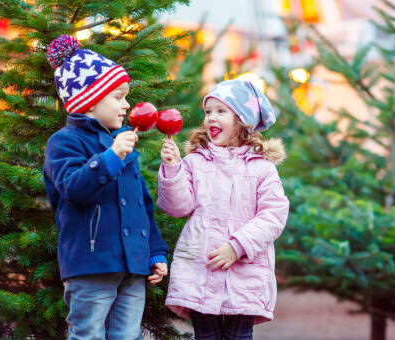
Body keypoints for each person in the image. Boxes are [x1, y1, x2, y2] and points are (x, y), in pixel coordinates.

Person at [43, 34, 168, 340]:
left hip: (133, 265)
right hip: (92, 263)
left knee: (127, 336)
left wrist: (155, 252)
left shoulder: (122, 142)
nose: (126, 104)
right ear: (89, 100)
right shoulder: (64, 142)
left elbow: (142, 204)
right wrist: (111, 156)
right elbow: (74, 189)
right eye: (118, 96)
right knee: (88, 335)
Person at [158, 79, 289, 340]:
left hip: (244, 275)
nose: (211, 119)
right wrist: (173, 168)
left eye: (221, 111)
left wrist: (237, 246)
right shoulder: (195, 162)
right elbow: (177, 207)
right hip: (201, 270)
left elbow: (273, 214)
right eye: (208, 112)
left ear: (242, 120)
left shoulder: (262, 168)